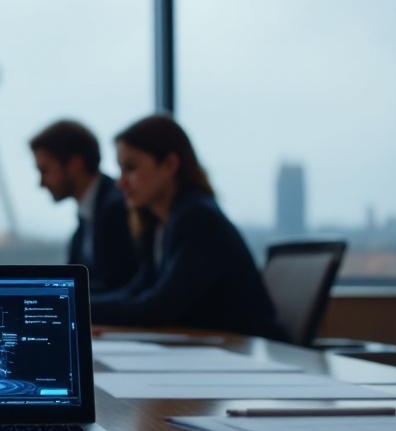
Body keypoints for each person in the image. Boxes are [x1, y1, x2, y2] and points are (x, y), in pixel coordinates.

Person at [91, 114, 286, 340]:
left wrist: (77, 309)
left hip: (248, 352)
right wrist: (77, 305)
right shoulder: (157, 224)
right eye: (120, 170)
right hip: (212, 348)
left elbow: (158, 308)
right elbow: (135, 292)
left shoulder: (198, 218)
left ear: (170, 164)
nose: (120, 182)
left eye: (131, 168)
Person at [30, 120, 138, 291]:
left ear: (75, 164)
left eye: (45, 170)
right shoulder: (89, 214)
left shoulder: (116, 209)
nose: (41, 183)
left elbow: (118, 285)